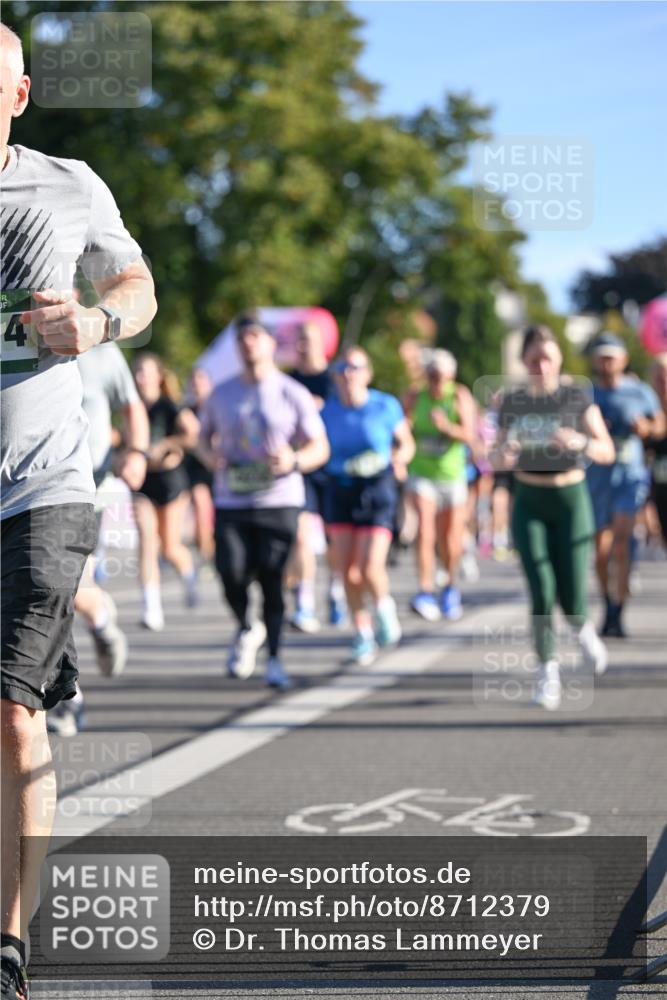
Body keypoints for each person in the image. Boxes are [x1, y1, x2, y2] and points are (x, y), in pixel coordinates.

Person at [0, 23, 157, 998]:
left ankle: (7, 944)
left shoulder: (68, 183)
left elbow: (136, 285)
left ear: (16, 95)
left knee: (8, 710)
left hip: (44, 486)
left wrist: (99, 322)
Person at [199, 312, 330, 689]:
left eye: (255, 336)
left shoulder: (292, 392)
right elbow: (201, 437)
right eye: (242, 338)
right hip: (232, 500)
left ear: (271, 344)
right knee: (230, 572)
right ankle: (246, 625)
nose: (248, 343)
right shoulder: (221, 393)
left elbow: (319, 446)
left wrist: (294, 460)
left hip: (279, 499)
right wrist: (210, 457)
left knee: (273, 579)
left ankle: (274, 658)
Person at [494, 325, 614, 710]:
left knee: (573, 592)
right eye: (534, 360)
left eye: (547, 358)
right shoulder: (512, 402)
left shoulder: (576, 399)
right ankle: (548, 673)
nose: (541, 366)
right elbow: (492, 456)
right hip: (529, 499)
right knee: (542, 589)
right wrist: (505, 452)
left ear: (559, 359)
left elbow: (606, 450)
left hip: (570, 498)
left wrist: (579, 441)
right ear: (524, 362)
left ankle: (583, 629)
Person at [47, 341, 150, 736]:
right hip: (21, 488)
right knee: (42, 592)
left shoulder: (99, 347)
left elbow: (131, 404)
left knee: (62, 590)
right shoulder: (11, 336)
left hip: (86, 488)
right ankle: (101, 619)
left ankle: (67, 700)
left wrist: (137, 451)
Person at [321, 346, 415, 665]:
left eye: (355, 368)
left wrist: (400, 459)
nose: (348, 374)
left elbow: (406, 443)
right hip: (340, 489)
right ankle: (362, 632)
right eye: (343, 368)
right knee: (348, 570)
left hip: (377, 489)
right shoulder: (328, 411)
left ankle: (384, 606)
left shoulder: (384, 405)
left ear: (367, 374)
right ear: (335, 376)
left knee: (370, 567)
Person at [586, 334, 664, 637]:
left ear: (623, 359)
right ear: (595, 360)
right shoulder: (587, 393)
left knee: (621, 544)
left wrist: (646, 428)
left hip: (628, 478)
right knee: (602, 552)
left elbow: (659, 423)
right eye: (602, 356)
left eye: (612, 356)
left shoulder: (639, 391)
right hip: (596, 480)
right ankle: (608, 602)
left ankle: (619, 610)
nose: (607, 362)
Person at [403, 349, 475, 621]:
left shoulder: (459, 396)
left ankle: (450, 585)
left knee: (450, 539)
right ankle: (424, 589)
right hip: (422, 473)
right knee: (424, 530)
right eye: (432, 375)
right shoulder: (415, 396)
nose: (436, 382)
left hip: (453, 475)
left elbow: (470, 435)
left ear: (451, 377)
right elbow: (400, 427)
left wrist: (447, 426)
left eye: (441, 377)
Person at [132, 352, 200, 630]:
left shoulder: (169, 405)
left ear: (158, 377)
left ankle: (189, 573)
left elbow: (192, 434)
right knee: (147, 540)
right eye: (136, 372)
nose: (140, 378)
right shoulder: (130, 406)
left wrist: (167, 445)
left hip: (171, 482)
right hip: (142, 483)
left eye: (145, 372)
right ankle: (152, 608)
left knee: (170, 546)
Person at [286, 320, 346, 630]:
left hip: (334, 467)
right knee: (301, 534)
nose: (301, 345)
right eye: (298, 339)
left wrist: (322, 408)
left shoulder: (335, 379)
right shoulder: (289, 381)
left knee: (335, 538)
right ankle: (305, 602)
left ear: (321, 342)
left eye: (307, 339)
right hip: (302, 468)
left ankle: (336, 591)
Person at [183, 366, 216, 565]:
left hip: (220, 468)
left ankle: (217, 552)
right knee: (201, 509)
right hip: (196, 470)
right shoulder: (186, 411)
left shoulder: (221, 406)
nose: (197, 384)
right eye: (193, 380)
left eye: (201, 380)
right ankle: (207, 556)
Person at [646, 353, 667, 547]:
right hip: (660, 492)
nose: (663, 381)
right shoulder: (646, 413)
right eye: (659, 377)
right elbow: (644, 461)